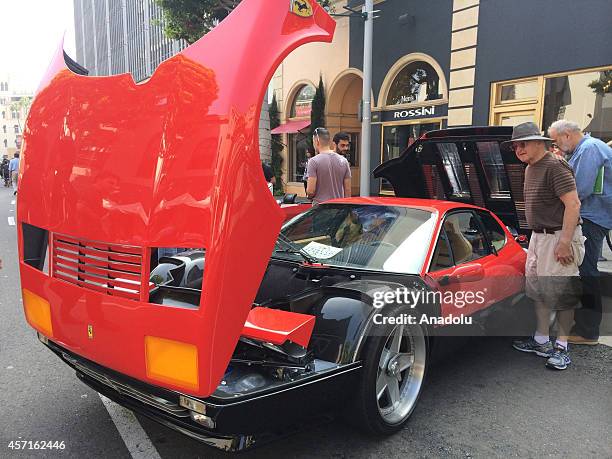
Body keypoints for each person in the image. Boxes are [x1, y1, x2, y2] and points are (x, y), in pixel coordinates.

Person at [508, 122, 584, 371]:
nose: (518, 149)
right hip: (539, 237)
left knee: (562, 294)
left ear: (540, 142)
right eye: (516, 145)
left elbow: (573, 205)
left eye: (524, 143)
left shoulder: (555, 166)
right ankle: (542, 341)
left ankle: (562, 347)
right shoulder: (531, 167)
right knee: (539, 290)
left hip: (558, 236)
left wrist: (564, 243)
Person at [549, 120, 612, 346]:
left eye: (556, 140)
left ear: (566, 135)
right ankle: (583, 325)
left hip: (593, 218)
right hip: (595, 216)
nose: (556, 145)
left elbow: (579, 189)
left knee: (586, 272)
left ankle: (588, 331)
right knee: (585, 271)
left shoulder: (589, 149)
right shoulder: (587, 148)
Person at [306, 127, 351, 205]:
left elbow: (311, 191)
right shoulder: (344, 161)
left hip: (320, 209)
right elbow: (347, 190)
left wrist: (309, 196)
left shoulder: (313, 161)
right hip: (338, 207)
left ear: (317, 141)